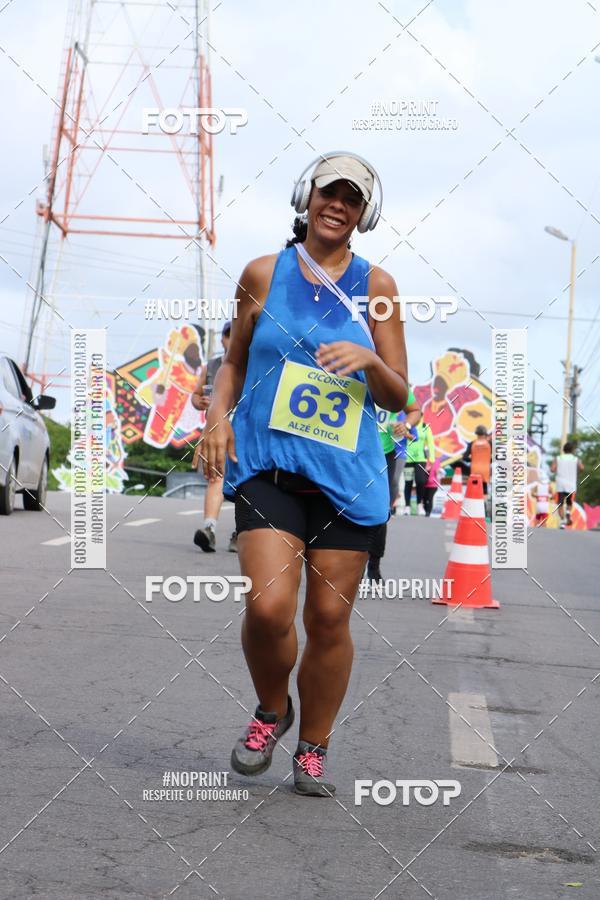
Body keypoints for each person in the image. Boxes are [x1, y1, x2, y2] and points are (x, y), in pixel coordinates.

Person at [201, 152, 408, 796]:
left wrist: (370, 362)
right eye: (328, 192)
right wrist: (217, 416)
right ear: (307, 197)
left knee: (327, 619)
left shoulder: (379, 288)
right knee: (268, 609)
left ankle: (313, 748)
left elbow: (398, 393)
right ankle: (272, 709)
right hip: (270, 466)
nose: (337, 205)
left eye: (351, 197)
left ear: (363, 213)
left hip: (347, 478)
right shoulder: (262, 273)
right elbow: (233, 362)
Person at [191, 321, 237, 553]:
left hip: (245, 432)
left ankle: (242, 533)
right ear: (222, 339)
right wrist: (200, 401)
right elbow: (195, 395)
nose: (232, 339)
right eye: (228, 335)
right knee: (215, 477)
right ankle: (209, 529)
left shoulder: (256, 363)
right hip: (216, 430)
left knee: (248, 483)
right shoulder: (210, 366)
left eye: (236, 334)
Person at [366, 393, 420, 582]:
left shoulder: (391, 381)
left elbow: (414, 410)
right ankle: (350, 560)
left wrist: (406, 426)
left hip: (384, 454)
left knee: (380, 509)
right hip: (351, 451)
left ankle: (374, 564)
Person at [403, 420, 435, 515]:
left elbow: (430, 443)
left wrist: (432, 458)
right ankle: (407, 506)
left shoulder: (425, 426)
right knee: (408, 482)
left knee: (420, 481)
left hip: (421, 458)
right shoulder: (407, 424)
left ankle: (419, 504)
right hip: (407, 458)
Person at [551, 441, 584, 528]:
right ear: (572, 450)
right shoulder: (576, 459)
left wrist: (558, 468)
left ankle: (562, 521)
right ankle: (568, 513)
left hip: (560, 485)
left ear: (564, 449)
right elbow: (582, 468)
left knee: (560, 504)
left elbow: (552, 469)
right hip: (571, 485)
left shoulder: (558, 458)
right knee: (569, 502)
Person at [461, 425, 492, 494]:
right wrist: (489, 460)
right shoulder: (490, 444)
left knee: (475, 490)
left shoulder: (472, 443)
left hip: (475, 470)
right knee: (484, 489)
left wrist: (473, 459)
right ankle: (484, 500)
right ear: (485, 433)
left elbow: (464, 458)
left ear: (476, 433)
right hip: (485, 470)